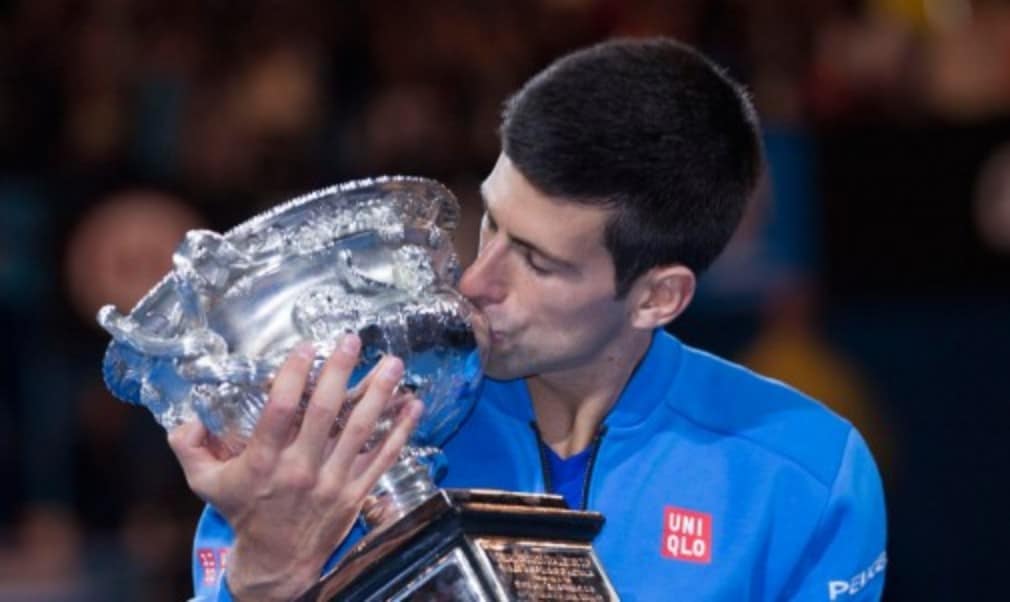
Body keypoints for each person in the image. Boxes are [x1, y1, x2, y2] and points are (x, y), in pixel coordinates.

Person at [170, 37, 887, 601]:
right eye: (491, 223)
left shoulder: (806, 474)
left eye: (538, 263)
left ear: (655, 297)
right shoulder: (340, 436)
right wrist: (259, 584)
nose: (477, 282)